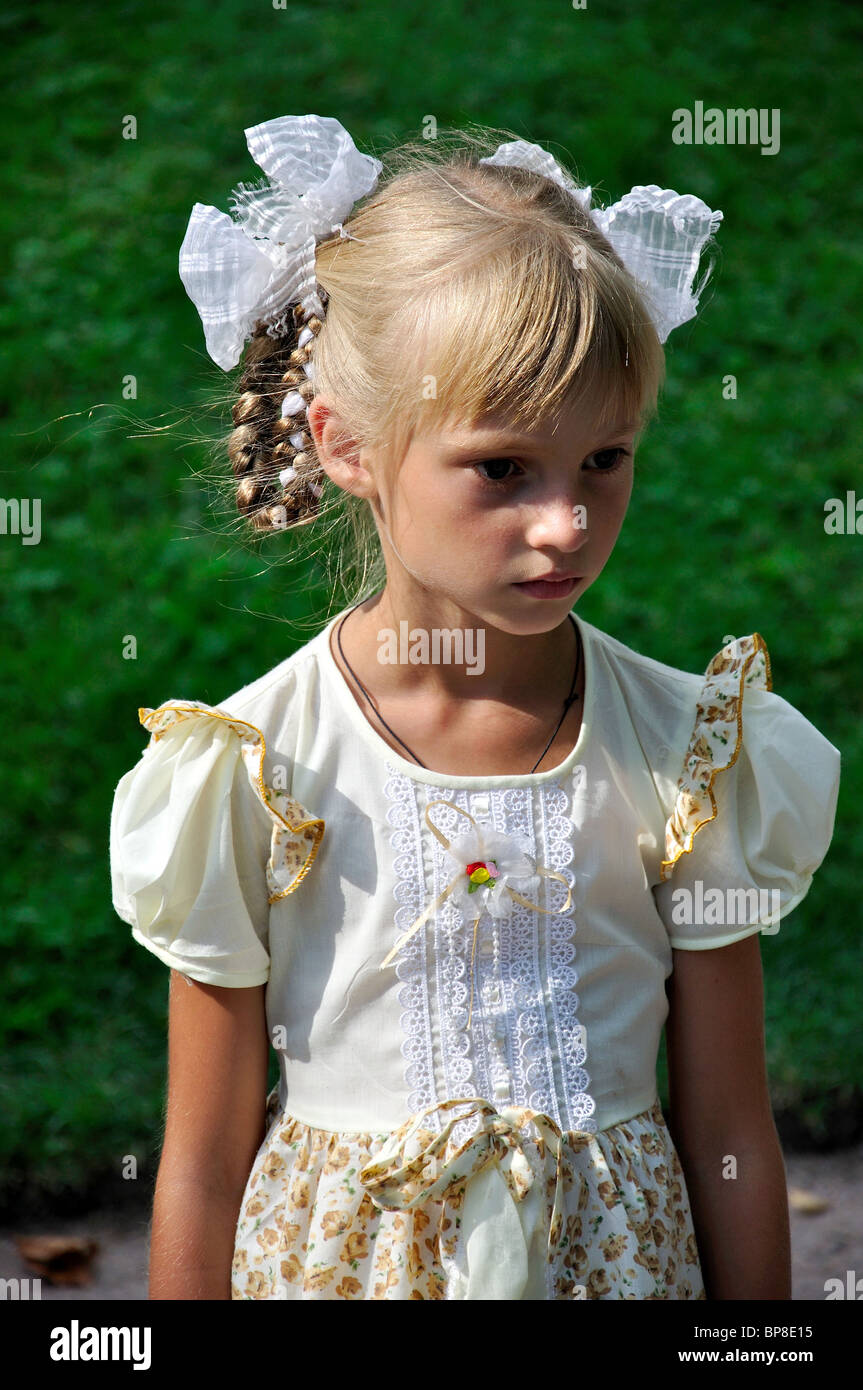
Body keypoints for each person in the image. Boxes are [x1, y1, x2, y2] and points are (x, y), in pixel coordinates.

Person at [109, 115, 840, 1300]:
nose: (565, 524)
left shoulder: (690, 755)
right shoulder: (251, 768)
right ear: (347, 447)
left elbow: (731, 1133)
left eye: (603, 459)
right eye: (503, 468)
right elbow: (197, 1162)